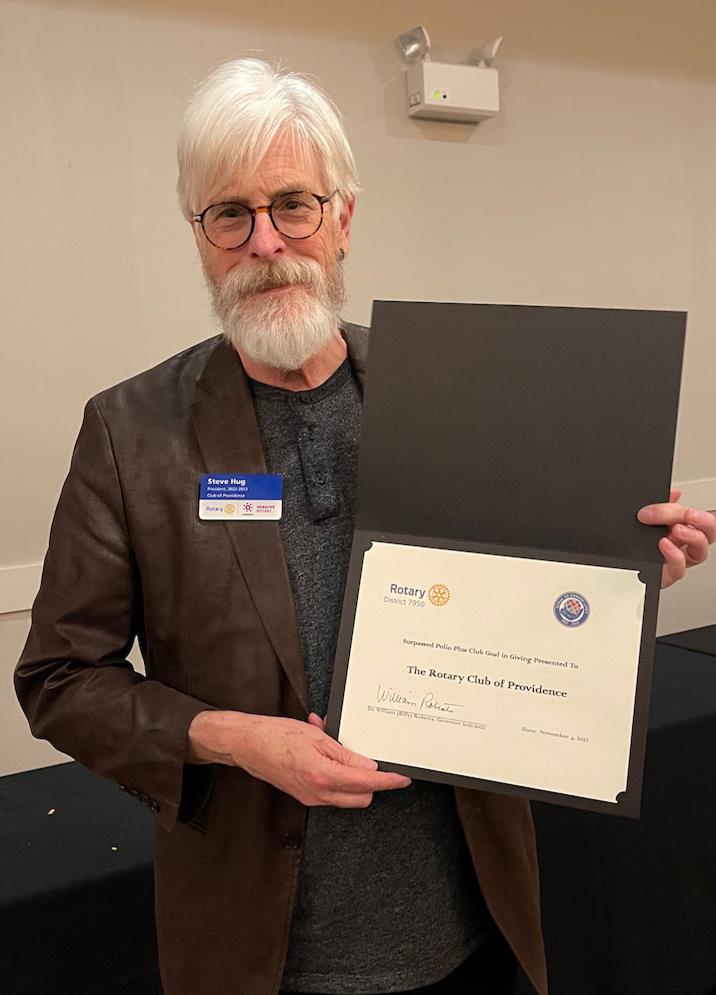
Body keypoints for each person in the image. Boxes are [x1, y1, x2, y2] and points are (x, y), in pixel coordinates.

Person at [14, 59, 715, 995]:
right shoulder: (131, 432)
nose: (265, 241)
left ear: (343, 218)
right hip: (261, 952)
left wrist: (617, 567)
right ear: (201, 239)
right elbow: (59, 678)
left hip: (471, 926)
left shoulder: (451, 397)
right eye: (230, 214)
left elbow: (523, 590)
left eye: (292, 204)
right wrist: (234, 737)